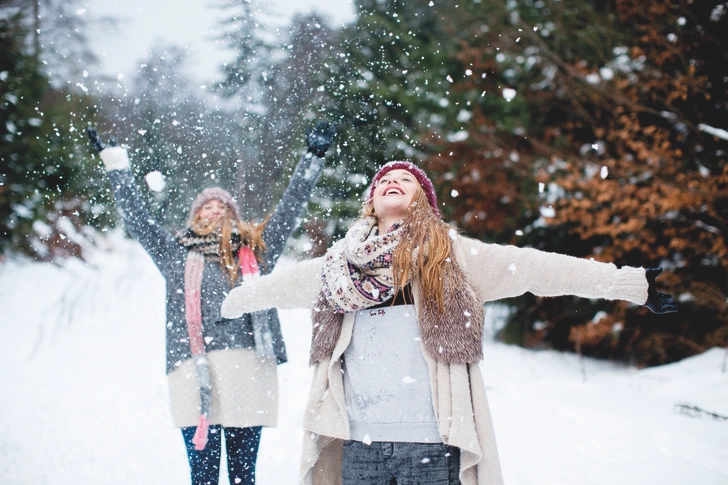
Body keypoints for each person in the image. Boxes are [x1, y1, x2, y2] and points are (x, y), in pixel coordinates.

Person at [220, 161, 677, 485]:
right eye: (384, 181)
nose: (393, 183)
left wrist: (628, 284)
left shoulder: (452, 254)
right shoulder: (338, 267)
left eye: (405, 180)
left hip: (432, 441)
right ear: (371, 202)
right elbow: (277, 288)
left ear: (424, 200)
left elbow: (535, 268)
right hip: (359, 442)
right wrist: (235, 300)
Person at [87, 122, 336, 485]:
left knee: (242, 475)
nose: (215, 210)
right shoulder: (175, 254)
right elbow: (139, 221)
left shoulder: (256, 252)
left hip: (249, 366)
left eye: (223, 205)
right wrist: (116, 165)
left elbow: (290, 208)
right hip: (191, 364)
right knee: (202, 475)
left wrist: (312, 159)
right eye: (207, 206)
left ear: (234, 214)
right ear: (195, 215)